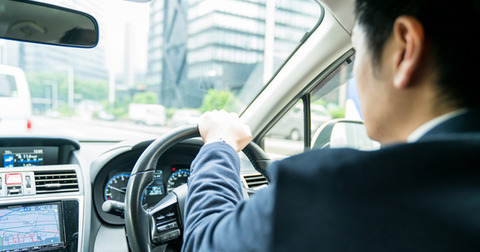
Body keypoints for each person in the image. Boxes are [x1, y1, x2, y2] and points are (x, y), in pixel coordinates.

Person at [182, 0, 480, 251]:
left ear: (404, 49)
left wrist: (219, 143)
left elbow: (204, 240)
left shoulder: (341, 190)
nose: (355, 73)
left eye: (354, 55)